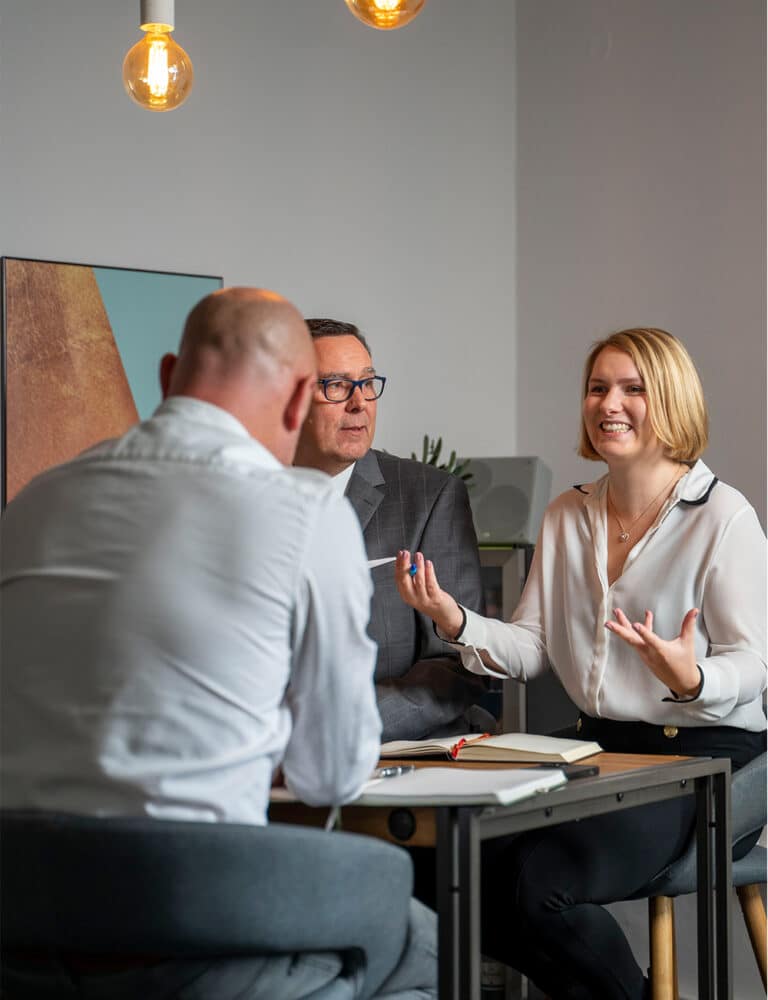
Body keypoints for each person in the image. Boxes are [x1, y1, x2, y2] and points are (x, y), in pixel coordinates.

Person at [0, 287, 437, 1000]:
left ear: (169, 373)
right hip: (185, 914)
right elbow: (332, 775)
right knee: (428, 945)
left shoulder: (35, 501)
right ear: (301, 401)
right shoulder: (304, 515)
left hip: (22, 918)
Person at [394, 327, 766, 999]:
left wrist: (693, 677)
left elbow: (755, 661)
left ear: (672, 401)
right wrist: (454, 620)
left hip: (709, 762)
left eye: (632, 389)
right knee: (442, 863)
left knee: (537, 886)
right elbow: (532, 646)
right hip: (601, 751)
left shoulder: (724, 517)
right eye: (598, 388)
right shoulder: (569, 513)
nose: (608, 404)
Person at [294, 317, 492, 741]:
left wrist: (345, 725)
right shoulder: (244, 495)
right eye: (335, 386)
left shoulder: (429, 496)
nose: (359, 403)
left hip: (392, 753)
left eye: (367, 383)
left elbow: (458, 664)